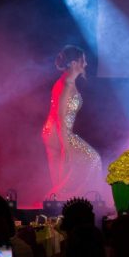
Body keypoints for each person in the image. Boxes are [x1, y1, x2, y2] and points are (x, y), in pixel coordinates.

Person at [41, 45, 104, 200]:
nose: (86, 64)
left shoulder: (68, 82)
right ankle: (79, 200)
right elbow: (60, 117)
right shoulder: (67, 84)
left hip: (56, 132)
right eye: (83, 60)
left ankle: (62, 203)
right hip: (58, 132)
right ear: (75, 63)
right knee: (93, 159)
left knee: (63, 175)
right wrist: (66, 146)